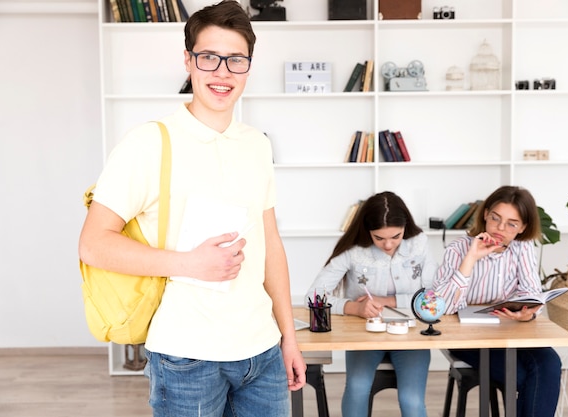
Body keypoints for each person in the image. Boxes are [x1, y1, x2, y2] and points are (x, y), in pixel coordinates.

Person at [78, 1, 306, 416]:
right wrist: (189, 263)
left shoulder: (257, 144)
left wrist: (288, 337)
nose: (222, 72)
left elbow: (270, 244)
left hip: (263, 351)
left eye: (236, 59)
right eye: (209, 57)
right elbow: (93, 244)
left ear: (249, 66)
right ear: (188, 61)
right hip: (186, 358)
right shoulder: (149, 142)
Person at [432, 185, 562, 417]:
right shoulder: (458, 249)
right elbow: (443, 307)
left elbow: (531, 293)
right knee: (525, 378)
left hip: (511, 333)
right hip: (468, 338)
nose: (501, 228)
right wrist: (471, 258)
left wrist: (528, 313)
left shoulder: (522, 248)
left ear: (522, 227)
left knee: (550, 363)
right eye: (496, 218)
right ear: (485, 214)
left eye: (512, 224)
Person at [305, 191, 437, 417]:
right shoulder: (354, 250)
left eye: (396, 236)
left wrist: (388, 301)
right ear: (368, 232)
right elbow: (314, 296)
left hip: (410, 334)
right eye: (379, 238)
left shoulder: (419, 243)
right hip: (365, 335)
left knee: (411, 400)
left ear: (406, 226)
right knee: (357, 389)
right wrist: (354, 308)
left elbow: (432, 297)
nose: (388, 245)